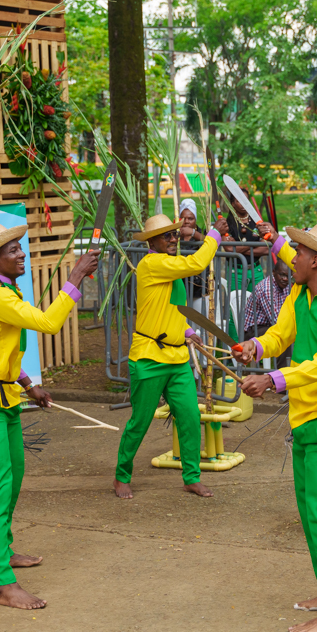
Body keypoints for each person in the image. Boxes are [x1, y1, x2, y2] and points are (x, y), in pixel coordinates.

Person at [236, 223, 317, 632]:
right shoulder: (299, 293)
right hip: (302, 416)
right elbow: (281, 334)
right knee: (310, 510)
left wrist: (272, 380)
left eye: (297, 251)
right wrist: (256, 347)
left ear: (316, 261)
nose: (289, 256)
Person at [0, 223, 98, 610]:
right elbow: (49, 323)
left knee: (13, 477)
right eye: (13, 250)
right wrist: (74, 277)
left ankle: (3, 549)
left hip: (5, 397)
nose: (22, 255)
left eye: (21, 248)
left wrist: (27, 383)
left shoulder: (6, 289)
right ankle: (3, 583)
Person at [115, 213, 226, 500]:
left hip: (176, 359)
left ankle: (191, 477)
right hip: (149, 358)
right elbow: (196, 263)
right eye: (168, 236)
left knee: (189, 416)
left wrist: (186, 330)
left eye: (175, 234)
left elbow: (171, 307)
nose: (174, 239)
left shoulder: (167, 267)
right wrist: (213, 235)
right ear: (152, 241)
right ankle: (121, 476)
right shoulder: (152, 263)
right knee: (139, 422)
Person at [242, 260, 292, 351]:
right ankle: (283, 365)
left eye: (288, 276)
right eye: (282, 275)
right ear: (273, 272)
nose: (285, 279)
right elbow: (277, 321)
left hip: (269, 325)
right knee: (283, 335)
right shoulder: (266, 289)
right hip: (254, 331)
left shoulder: (285, 284)